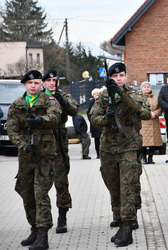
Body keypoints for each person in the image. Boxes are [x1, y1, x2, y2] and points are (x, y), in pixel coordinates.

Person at [90, 62, 151, 247]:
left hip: (129, 147)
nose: (118, 79)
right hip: (108, 148)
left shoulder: (133, 94)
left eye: (121, 76)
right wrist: (106, 118)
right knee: (113, 185)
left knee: (127, 186)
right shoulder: (103, 96)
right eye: (115, 77)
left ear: (126, 77)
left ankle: (127, 228)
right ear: (110, 78)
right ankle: (119, 218)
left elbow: (145, 113)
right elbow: (93, 118)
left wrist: (122, 94)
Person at [7, 70, 62, 250]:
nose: (33, 86)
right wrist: (23, 145)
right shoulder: (17, 105)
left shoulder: (49, 101)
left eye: (37, 83)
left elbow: (55, 117)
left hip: (44, 156)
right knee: (26, 192)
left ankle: (43, 234)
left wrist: (40, 120)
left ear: (42, 85)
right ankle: (34, 228)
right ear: (24, 85)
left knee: (40, 194)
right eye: (30, 83)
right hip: (26, 156)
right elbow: (12, 130)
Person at [42, 69, 79, 234]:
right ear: (43, 82)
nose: (51, 83)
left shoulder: (63, 95)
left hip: (58, 147)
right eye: (48, 80)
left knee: (61, 183)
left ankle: (62, 218)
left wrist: (62, 101)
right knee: (40, 186)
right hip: (41, 147)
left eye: (54, 80)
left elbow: (74, 110)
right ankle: (40, 221)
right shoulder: (36, 96)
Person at [140, 81, 163, 164]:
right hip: (143, 122)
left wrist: (155, 113)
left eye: (148, 87)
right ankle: (143, 158)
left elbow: (160, 108)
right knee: (143, 142)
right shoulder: (139, 97)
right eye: (144, 87)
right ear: (141, 89)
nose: (146, 88)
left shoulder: (155, 98)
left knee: (153, 142)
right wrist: (147, 114)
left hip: (154, 122)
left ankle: (150, 158)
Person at [87, 88, 102, 159]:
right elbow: (88, 112)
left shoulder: (102, 101)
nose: (96, 95)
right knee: (97, 139)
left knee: (102, 138)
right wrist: (91, 120)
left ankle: (102, 153)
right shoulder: (91, 102)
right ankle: (98, 154)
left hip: (101, 123)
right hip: (94, 125)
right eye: (95, 94)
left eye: (98, 94)